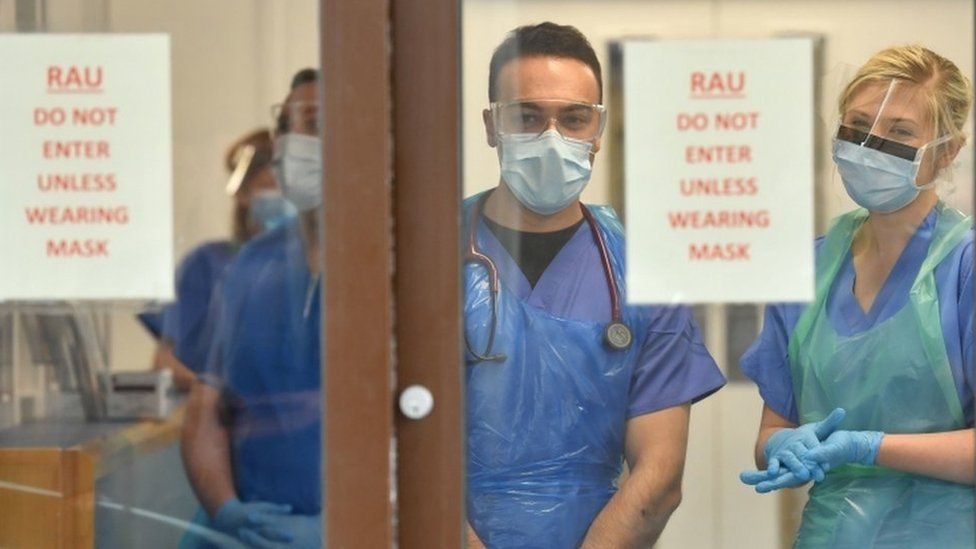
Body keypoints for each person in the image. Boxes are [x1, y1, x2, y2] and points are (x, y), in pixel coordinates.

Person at [465, 23, 726, 548]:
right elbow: (397, 450)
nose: (552, 138)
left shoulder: (644, 274)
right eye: (527, 117)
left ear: (598, 131)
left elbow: (659, 476)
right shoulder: (423, 260)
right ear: (492, 125)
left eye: (574, 118)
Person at [739, 44, 974, 547]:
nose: (870, 145)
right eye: (858, 124)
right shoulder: (807, 268)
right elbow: (771, 434)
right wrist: (784, 444)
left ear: (948, 150)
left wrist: (869, 447)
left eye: (900, 132)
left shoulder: (965, 268)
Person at [179, 68, 322, 549]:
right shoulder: (252, 266)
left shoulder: (404, 268)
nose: (302, 141)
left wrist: (359, 526)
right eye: (294, 125)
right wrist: (227, 511)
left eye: (321, 124)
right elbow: (207, 408)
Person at [137, 128, 294, 390]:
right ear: (242, 194)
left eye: (286, 189)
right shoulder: (208, 264)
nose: (279, 197)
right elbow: (167, 362)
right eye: (267, 187)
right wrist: (221, 395)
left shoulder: (313, 267)